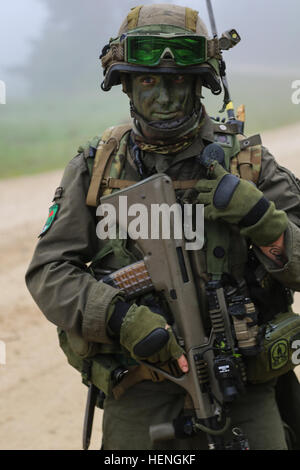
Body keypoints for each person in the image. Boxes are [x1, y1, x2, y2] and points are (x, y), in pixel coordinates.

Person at [26, 4, 300, 450]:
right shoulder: (96, 166)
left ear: (199, 85)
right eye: (149, 81)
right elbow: (49, 272)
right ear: (127, 85)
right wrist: (120, 318)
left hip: (242, 387)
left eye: (178, 81)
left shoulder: (249, 165)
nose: (165, 98)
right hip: (141, 387)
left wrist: (258, 218)